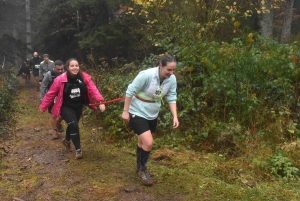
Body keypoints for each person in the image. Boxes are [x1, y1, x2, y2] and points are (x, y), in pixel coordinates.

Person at [122, 54, 179, 186]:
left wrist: (175, 116)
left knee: (142, 141)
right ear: (161, 66)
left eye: (173, 70)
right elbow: (130, 91)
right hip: (137, 110)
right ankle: (143, 169)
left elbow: (171, 96)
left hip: (153, 112)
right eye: (168, 70)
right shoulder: (146, 75)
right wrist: (125, 111)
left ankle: (138, 166)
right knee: (148, 142)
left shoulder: (172, 79)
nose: (171, 73)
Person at [39, 58, 106, 159]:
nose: (75, 68)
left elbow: (93, 89)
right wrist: (43, 106)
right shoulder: (60, 79)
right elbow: (51, 93)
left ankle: (66, 141)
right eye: (72, 66)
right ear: (68, 68)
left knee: (72, 125)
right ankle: (78, 150)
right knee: (74, 125)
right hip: (65, 106)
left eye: (76, 66)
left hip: (78, 105)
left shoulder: (84, 77)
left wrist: (100, 101)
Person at [40, 60, 65, 140]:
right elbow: (43, 86)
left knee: (64, 114)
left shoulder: (66, 74)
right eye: (58, 69)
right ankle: (55, 132)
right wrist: (42, 99)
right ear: (54, 67)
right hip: (52, 97)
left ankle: (58, 122)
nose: (60, 71)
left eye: (61, 69)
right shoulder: (49, 74)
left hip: (62, 97)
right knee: (53, 115)